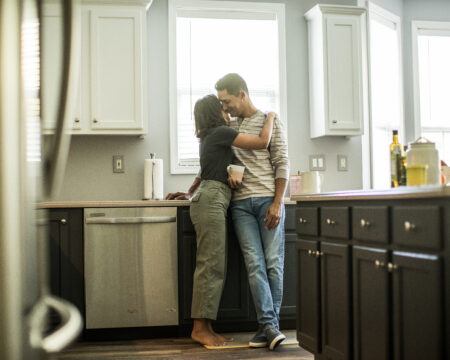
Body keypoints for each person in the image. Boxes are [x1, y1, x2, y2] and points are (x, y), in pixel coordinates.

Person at [166, 94, 275, 347]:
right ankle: (199, 329)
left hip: (211, 196)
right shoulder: (221, 131)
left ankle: (207, 328)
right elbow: (262, 141)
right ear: (216, 113)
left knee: (213, 263)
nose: (226, 109)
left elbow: (204, 171)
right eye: (222, 107)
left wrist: (190, 191)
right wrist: (270, 117)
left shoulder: (210, 136)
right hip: (213, 198)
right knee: (210, 264)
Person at [215, 73, 289, 350]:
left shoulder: (270, 120)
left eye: (227, 101)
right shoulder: (229, 126)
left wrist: (277, 202)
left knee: (272, 263)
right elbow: (219, 159)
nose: (225, 107)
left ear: (242, 94)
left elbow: (282, 161)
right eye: (221, 103)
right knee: (255, 265)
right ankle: (270, 327)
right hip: (240, 205)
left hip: (267, 200)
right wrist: (229, 173)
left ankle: (268, 327)